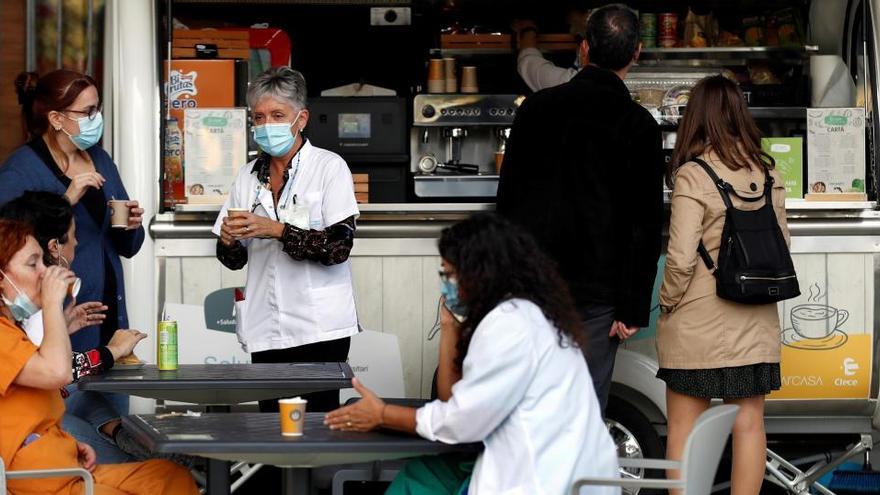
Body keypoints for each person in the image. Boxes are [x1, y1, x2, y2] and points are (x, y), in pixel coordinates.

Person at [325, 213, 619, 495]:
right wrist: (448, 325)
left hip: (543, 480)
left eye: (450, 275)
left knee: (428, 478)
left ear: (481, 274)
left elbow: (460, 422)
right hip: (553, 468)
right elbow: (454, 400)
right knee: (427, 472)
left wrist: (382, 414)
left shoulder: (509, 325)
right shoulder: (523, 315)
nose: (444, 285)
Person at [497, 3, 663, 414]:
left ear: (584, 49)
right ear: (637, 52)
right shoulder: (638, 124)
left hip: (532, 287)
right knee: (583, 411)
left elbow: (508, 203)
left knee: (530, 405)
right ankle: (575, 480)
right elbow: (645, 223)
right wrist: (632, 306)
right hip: (598, 296)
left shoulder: (535, 109)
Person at [657, 75, 789, 495]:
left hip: (698, 322)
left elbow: (679, 258)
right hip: (755, 318)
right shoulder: (769, 173)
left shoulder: (693, 175)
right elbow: (781, 245)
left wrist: (667, 304)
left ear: (696, 117)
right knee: (749, 424)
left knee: (683, 427)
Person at [0, 219, 198, 495]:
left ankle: (131, 440)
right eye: (33, 264)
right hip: (40, 481)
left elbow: (32, 408)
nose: (45, 273)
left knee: (169, 477)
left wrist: (66, 446)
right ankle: (130, 439)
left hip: (66, 466)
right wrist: (52, 305)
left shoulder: (12, 328)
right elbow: (59, 373)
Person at [213, 66, 360, 413]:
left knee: (316, 426)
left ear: (301, 118)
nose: (267, 125)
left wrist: (274, 229)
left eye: (278, 115)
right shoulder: (248, 175)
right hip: (266, 322)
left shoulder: (329, 167)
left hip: (319, 327)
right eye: (259, 117)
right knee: (271, 426)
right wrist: (229, 240)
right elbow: (233, 260)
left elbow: (339, 247)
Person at [0, 69, 145, 419]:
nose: (97, 119)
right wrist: (68, 198)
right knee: (62, 424)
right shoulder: (22, 168)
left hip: (104, 317)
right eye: (88, 112)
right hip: (54, 321)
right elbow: (8, 244)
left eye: (98, 109)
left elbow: (128, 245)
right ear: (56, 118)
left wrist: (131, 225)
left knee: (113, 425)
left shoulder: (101, 158)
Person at [0, 191, 148, 464]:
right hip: (30, 434)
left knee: (89, 401)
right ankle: (137, 457)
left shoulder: (26, 300)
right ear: (55, 246)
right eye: (74, 233)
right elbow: (59, 372)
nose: (78, 242)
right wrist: (111, 351)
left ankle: (127, 439)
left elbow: (28, 355)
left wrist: (63, 324)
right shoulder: (31, 297)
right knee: (142, 471)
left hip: (43, 408)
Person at [512, 13, 588, 91]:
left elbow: (530, 64)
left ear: (584, 49)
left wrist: (528, 31)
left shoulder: (575, 86)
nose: (571, 31)